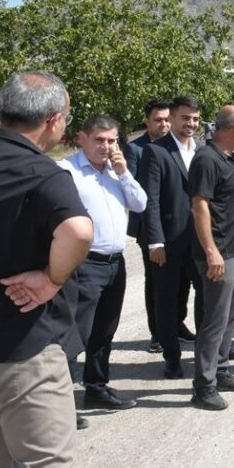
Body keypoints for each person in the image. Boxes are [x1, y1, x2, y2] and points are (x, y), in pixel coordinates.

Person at [0, 70, 93, 468]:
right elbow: (77, 230)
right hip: (22, 347)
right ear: (53, 121)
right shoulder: (42, 174)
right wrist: (51, 280)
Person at [58, 115, 147, 416]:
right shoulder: (67, 170)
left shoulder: (115, 172)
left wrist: (123, 173)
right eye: (99, 140)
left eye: (111, 141)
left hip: (115, 264)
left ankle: (96, 388)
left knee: (104, 331)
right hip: (84, 264)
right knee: (75, 334)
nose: (106, 147)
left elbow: (140, 204)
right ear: (82, 138)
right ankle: (60, 404)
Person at [189, 105, 234, 410]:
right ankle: (204, 385)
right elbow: (199, 206)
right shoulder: (206, 159)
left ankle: (222, 368)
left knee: (229, 316)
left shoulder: (227, 158)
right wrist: (211, 251)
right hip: (220, 253)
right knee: (214, 320)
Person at [139, 96, 205, 379]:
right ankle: (172, 358)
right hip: (167, 242)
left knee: (206, 296)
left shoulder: (203, 151)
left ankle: (206, 352)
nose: (190, 124)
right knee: (165, 301)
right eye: (185, 118)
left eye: (195, 119)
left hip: (199, 241)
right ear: (173, 119)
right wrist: (155, 241)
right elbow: (150, 200)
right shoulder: (155, 152)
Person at [125, 98, 193, 354]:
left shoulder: (182, 146)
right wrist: (153, 234)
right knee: (156, 283)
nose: (164, 124)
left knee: (183, 280)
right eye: (158, 120)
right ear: (147, 121)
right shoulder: (137, 149)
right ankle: (157, 333)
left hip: (179, 226)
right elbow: (135, 192)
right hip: (152, 227)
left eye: (167, 119)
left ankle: (177, 324)